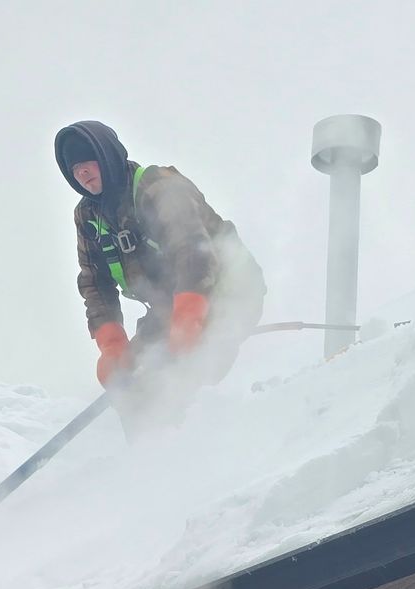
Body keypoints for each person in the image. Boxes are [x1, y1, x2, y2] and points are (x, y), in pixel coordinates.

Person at [55, 120, 265, 397]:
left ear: (106, 155)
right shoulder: (87, 216)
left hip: (229, 290)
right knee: (132, 384)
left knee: (186, 372)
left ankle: (226, 417)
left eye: (87, 161)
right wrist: (111, 340)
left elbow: (193, 249)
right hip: (170, 305)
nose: (81, 172)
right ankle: (143, 438)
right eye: (73, 168)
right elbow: (94, 280)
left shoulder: (159, 186)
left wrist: (190, 313)